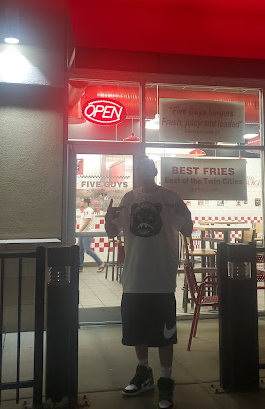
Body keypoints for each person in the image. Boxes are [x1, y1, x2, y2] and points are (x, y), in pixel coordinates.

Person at [105, 156, 193, 409]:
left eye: (146, 167)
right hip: (134, 278)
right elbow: (112, 233)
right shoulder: (128, 199)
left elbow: (187, 230)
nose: (142, 172)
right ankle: (143, 372)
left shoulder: (170, 197)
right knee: (138, 332)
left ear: (154, 170)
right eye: (139, 168)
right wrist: (107, 218)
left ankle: (166, 380)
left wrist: (187, 216)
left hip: (161, 279)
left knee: (165, 335)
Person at [77, 197, 105, 273]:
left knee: (88, 250)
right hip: (83, 233)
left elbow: (87, 221)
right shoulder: (85, 210)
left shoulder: (89, 210)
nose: (81, 202)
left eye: (82, 201)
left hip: (87, 233)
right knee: (80, 250)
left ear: (86, 203)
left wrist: (80, 231)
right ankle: (80, 267)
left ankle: (100, 263)